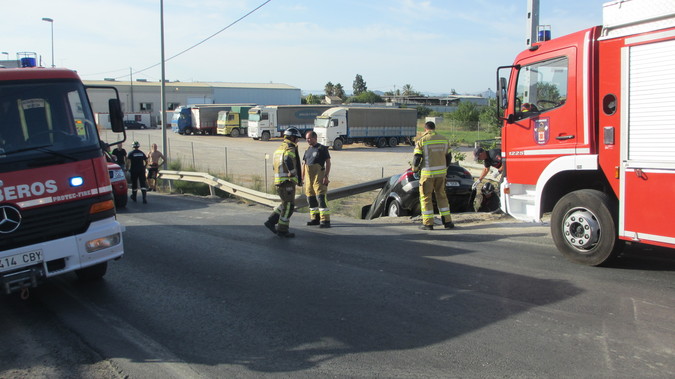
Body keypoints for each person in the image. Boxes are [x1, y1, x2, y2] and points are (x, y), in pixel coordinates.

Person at [412, 121, 453, 230]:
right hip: (441, 174)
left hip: (427, 174)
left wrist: (415, 169)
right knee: (442, 196)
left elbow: (417, 158)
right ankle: (448, 222)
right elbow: (449, 157)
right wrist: (445, 169)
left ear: (425, 129)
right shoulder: (444, 139)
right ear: (434, 128)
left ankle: (428, 224)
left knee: (426, 198)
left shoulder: (422, 140)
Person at [264, 127, 303, 238]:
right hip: (287, 182)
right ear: (292, 137)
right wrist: (293, 172)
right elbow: (287, 159)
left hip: (280, 181)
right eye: (297, 138)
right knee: (289, 206)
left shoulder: (279, 148)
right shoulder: (289, 148)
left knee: (285, 204)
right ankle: (282, 230)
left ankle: (271, 221)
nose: (298, 141)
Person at [302, 130, 332, 228]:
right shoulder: (307, 150)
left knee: (321, 198)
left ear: (315, 138)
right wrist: (302, 177)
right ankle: (315, 219)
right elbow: (304, 164)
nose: (308, 140)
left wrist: (326, 176)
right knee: (310, 198)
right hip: (308, 180)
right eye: (306, 138)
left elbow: (328, 163)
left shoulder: (322, 149)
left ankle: (325, 220)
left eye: (309, 138)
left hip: (319, 178)